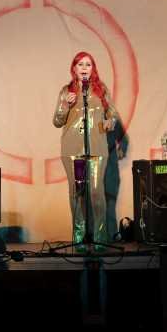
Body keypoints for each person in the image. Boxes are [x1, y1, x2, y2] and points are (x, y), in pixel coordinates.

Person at [53, 52, 120, 244]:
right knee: (77, 193)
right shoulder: (66, 91)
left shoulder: (101, 89)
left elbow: (112, 114)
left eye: (88, 64)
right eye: (80, 64)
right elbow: (57, 121)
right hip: (72, 149)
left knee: (97, 193)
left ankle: (100, 238)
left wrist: (110, 122)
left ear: (93, 69)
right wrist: (65, 105)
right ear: (74, 68)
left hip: (97, 148)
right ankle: (79, 237)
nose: (84, 68)